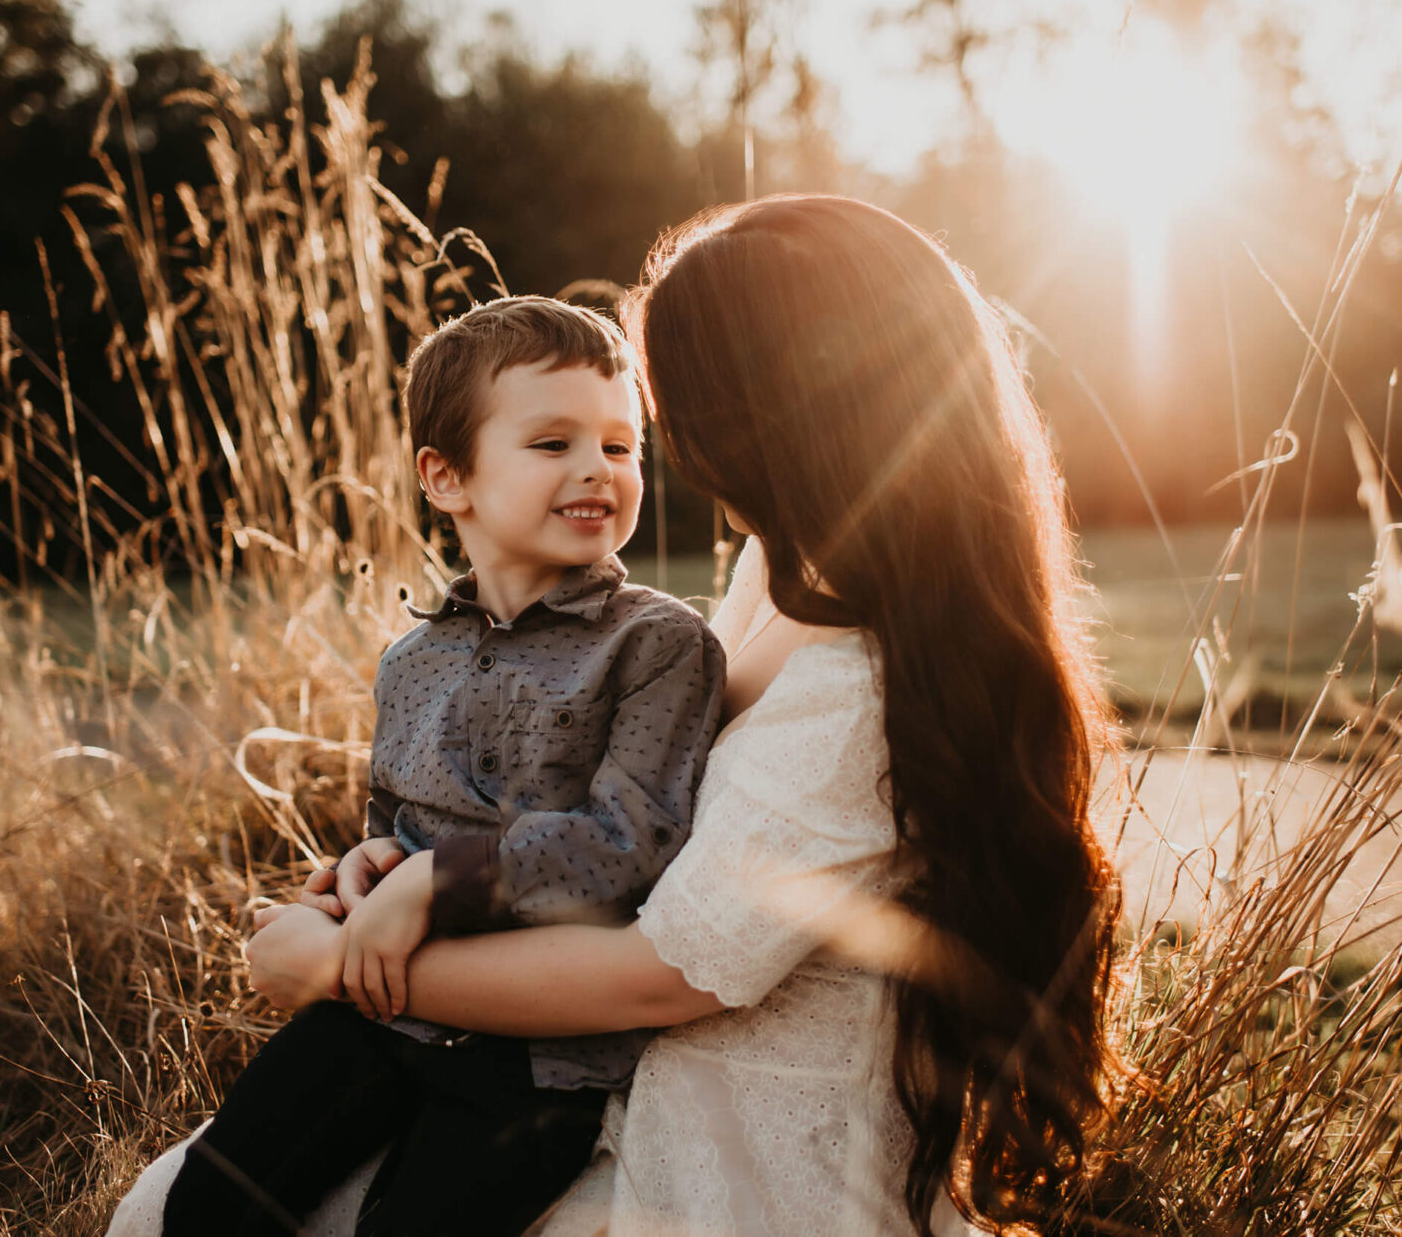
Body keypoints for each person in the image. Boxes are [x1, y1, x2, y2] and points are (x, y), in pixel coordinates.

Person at [112, 193, 1121, 1236]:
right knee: (185, 1205)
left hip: (732, 1163)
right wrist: (389, 873)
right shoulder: (775, 575)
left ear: (777, 409)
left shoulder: (860, 683)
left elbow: (661, 976)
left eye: (663, 410)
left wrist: (345, 967)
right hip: (604, 1076)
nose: (656, 443)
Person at [155, 295, 726, 1236]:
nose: (597, 468)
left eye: (619, 446)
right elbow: (397, 823)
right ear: (447, 476)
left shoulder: (659, 647)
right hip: (376, 1017)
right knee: (211, 1208)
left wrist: (433, 879)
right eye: (553, 444)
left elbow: (631, 846)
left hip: (537, 1056)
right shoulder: (413, 660)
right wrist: (367, 868)